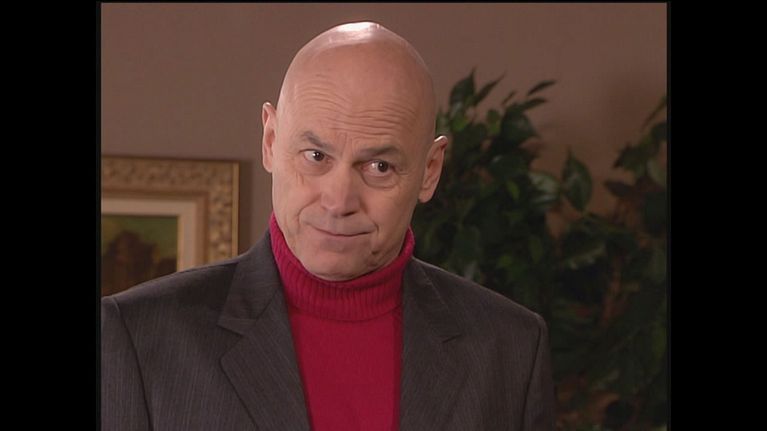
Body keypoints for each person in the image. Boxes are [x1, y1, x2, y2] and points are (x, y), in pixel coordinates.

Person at [101, 21, 555, 431]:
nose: (339, 202)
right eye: (316, 156)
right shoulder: (141, 336)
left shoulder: (510, 349)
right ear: (271, 141)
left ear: (429, 171)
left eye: (379, 166)